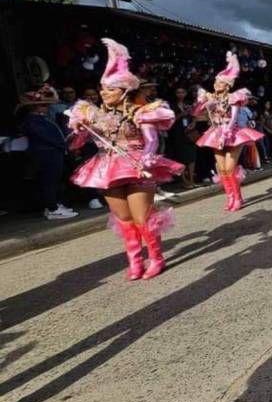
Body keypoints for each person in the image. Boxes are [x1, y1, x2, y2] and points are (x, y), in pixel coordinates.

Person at [68, 39, 183, 280]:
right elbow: (78, 143)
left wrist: (147, 161)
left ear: (125, 91)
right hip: (107, 167)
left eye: (109, 89)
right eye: (102, 89)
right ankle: (135, 261)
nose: (103, 93)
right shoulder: (93, 114)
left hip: (136, 164)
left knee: (143, 218)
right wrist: (80, 128)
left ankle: (156, 258)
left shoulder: (142, 112)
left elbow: (152, 141)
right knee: (124, 219)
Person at [193, 52, 265, 212]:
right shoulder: (210, 98)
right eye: (216, 82)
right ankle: (230, 197)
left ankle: (238, 197)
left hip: (232, 134)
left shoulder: (234, 97)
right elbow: (197, 113)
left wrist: (226, 133)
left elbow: (233, 118)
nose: (217, 84)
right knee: (222, 169)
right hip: (215, 132)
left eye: (220, 82)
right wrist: (201, 102)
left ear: (227, 85)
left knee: (230, 167)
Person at [18, 85, 79, 220]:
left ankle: (53, 205)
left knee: (53, 181)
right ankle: (52, 209)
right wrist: (63, 143)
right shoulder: (33, 121)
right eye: (42, 105)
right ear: (34, 107)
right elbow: (47, 138)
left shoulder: (40, 119)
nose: (46, 107)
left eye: (45, 104)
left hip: (51, 153)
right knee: (49, 182)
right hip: (46, 154)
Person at [169, 87, 198, 188]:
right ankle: (184, 180)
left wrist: (193, 123)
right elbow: (170, 120)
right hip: (178, 132)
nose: (180, 94)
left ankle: (192, 179)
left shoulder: (188, 103)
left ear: (186, 93)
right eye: (178, 92)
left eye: (182, 92)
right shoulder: (171, 105)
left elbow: (195, 116)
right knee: (180, 157)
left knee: (192, 156)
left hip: (189, 132)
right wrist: (181, 114)